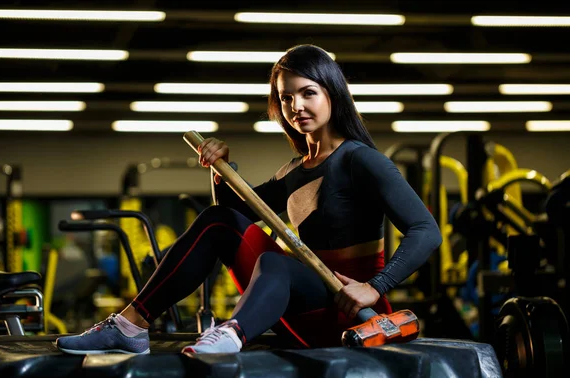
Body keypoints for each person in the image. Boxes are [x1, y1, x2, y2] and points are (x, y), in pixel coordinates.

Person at [55, 44, 442, 355]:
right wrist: (221, 168)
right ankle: (129, 326)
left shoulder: (362, 159)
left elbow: (426, 231)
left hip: (348, 315)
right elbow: (230, 217)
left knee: (277, 260)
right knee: (218, 219)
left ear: (332, 94)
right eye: (286, 97)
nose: (297, 107)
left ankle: (232, 335)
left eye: (308, 93)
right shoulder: (294, 170)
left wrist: (375, 285)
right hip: (300, 307)